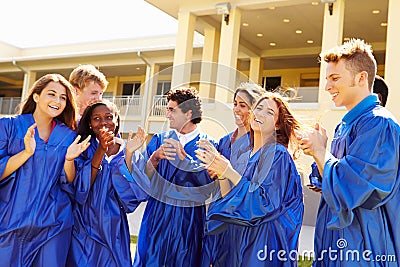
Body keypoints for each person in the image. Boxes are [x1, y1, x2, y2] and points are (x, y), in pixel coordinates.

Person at [297, 39, 400, 266]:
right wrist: (318, 154)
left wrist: (320, 151)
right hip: (336, 243)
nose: (327, 87)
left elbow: (355, 187)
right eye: (327, 79)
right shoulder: (346, 126)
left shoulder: (379, 124)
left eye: (335, 79)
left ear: (361, 78)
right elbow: (333, 182)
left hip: (365, 246)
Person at [197, 92, 304, 266]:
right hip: (236, 241)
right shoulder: (245, 155)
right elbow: (231, 200)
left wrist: (229, 171)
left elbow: (263, 203)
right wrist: (221, 173)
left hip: (261, 243)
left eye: (269, 112)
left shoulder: (278, 155)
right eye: (258, 108)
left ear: (277, 125)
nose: (260, 113)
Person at [0, 74, 90, 266]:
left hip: (53, 225)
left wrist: (69, 159)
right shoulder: (9, 127)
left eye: (63, 97)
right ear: (36, 96)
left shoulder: (68, 137)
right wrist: (26, 153)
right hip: (9, 222)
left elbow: (69, 182)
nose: (57, 101)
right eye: (51, 94)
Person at [133, 87, 217, 267]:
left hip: (189, 218)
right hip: (158, 214)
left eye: (172, 110)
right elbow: (143, 181)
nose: (167, 115)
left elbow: (209, 187)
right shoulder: (158, 140)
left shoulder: (208, 145)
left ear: (188, 114)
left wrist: (184, 160)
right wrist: (154, 158)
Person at [65, 99, 149, 267]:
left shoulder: (129, 150)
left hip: (115, 228)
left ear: (117, 120)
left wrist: (129, 156)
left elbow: (135, 197)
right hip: (85, 226)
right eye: (96, 118)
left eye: (109, 117)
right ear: (89, 123)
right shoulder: (83, 148)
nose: (103, 122)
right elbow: (81, 189)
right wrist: (100, 150)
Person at [201, 83, 265, 267]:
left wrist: (226, 171)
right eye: (235, 103)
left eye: (243, 105)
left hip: (241, 216)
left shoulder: (258, 144)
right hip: (219, 209)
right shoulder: (225, 140)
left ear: (255, 109)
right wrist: (211, 168)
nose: (236, 109)